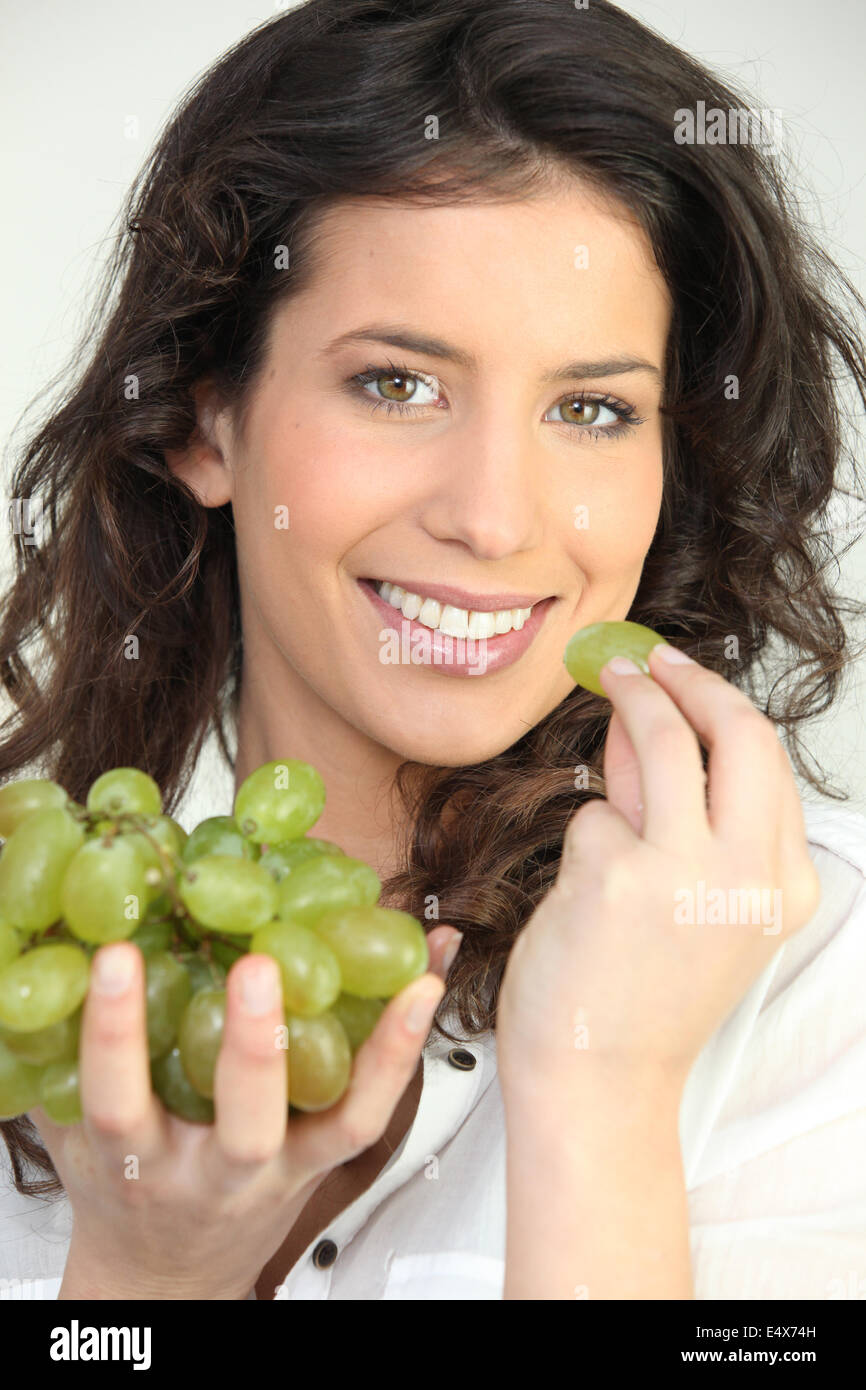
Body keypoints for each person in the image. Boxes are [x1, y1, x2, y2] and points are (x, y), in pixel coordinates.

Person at [1, 0, 865, 1301]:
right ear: (203, 418)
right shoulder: (41, 964)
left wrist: (602, 1087)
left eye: (592, 408)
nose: (492, 516)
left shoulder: (818, 980)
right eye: (397, 384)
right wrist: (144, 1281)